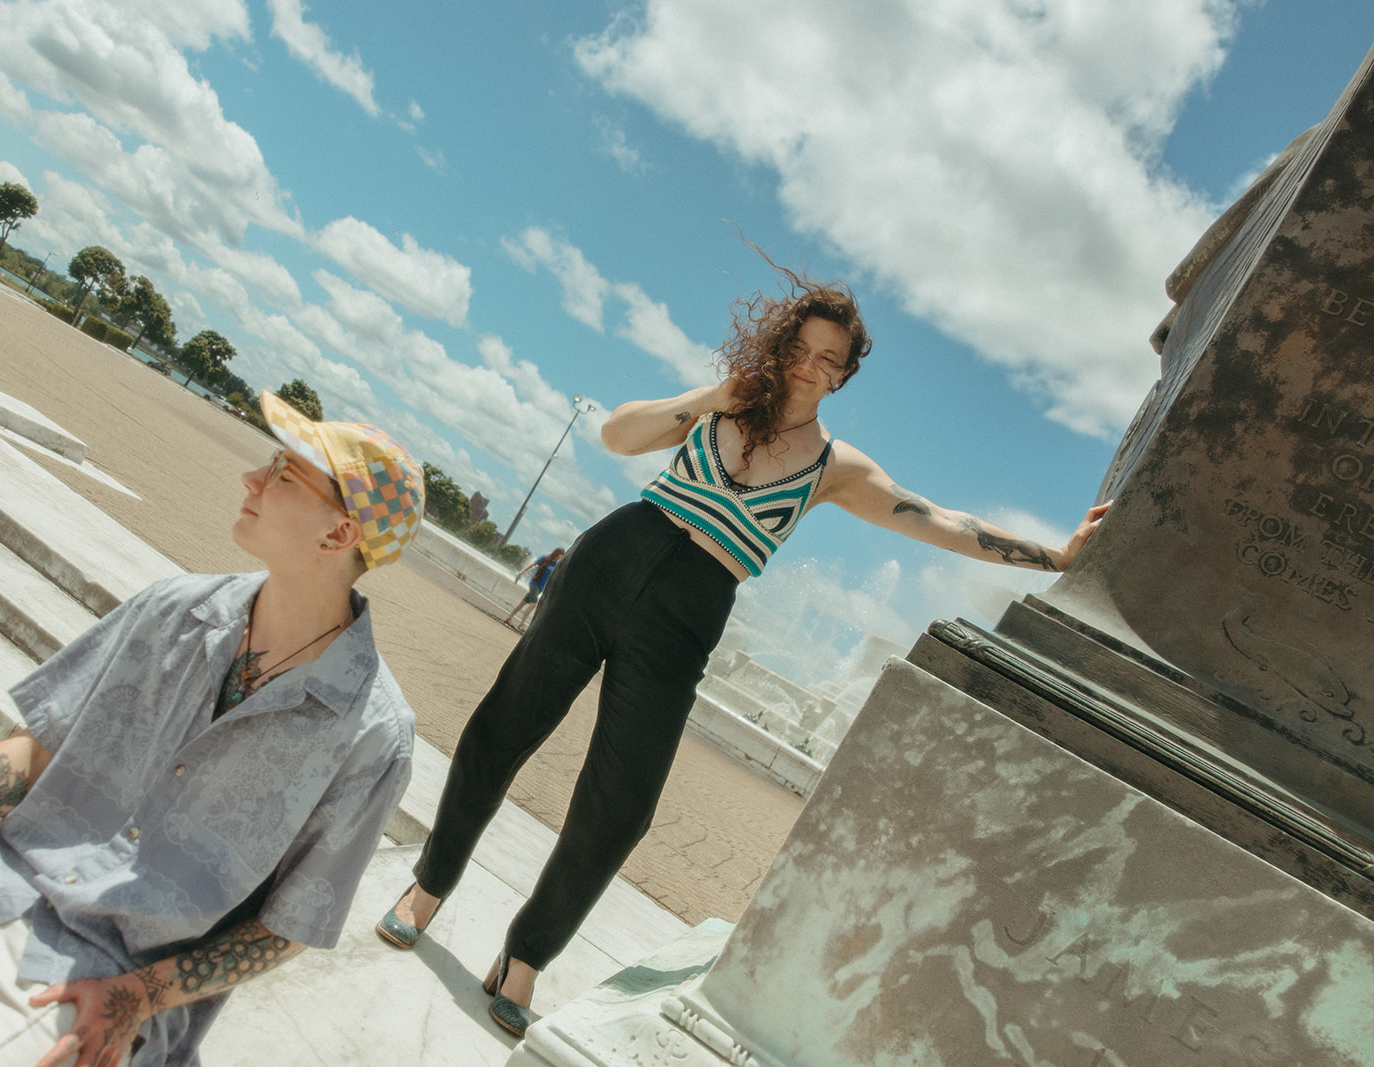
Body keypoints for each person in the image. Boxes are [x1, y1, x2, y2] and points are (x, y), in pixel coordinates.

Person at [375, 263, 1110, 1038]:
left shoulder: (837, 467)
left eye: (832, 360)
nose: (811, 368)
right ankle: (427, 888)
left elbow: (939, 520)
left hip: (691, 611)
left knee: (621, 805)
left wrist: (1053, 557)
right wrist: (708, 400)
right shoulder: (723, 400)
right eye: (805, 349)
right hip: (615, 556)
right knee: (507, 724)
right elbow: (616, 432)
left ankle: (523, 956)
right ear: (785, 342)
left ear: (845, 374)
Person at [0, 392, 426, 1067]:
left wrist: (137, 997)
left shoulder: (372, 734)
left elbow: (286, 926)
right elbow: (36, 751)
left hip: (101, 975)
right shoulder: (172, 609)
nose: (252, 480)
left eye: (285, 475)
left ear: (340, 534)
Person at [503, 548, 564, 631]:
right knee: (533, 604)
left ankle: (509, 618)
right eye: (557, 557)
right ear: (554, 554)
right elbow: (531, 565)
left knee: (522, 603)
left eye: (559, 558)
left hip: (541, 588)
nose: (557, 559)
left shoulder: (556, 565)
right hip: (534, 583)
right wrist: (520, 572)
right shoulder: (544, 558)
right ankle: (521, 624)